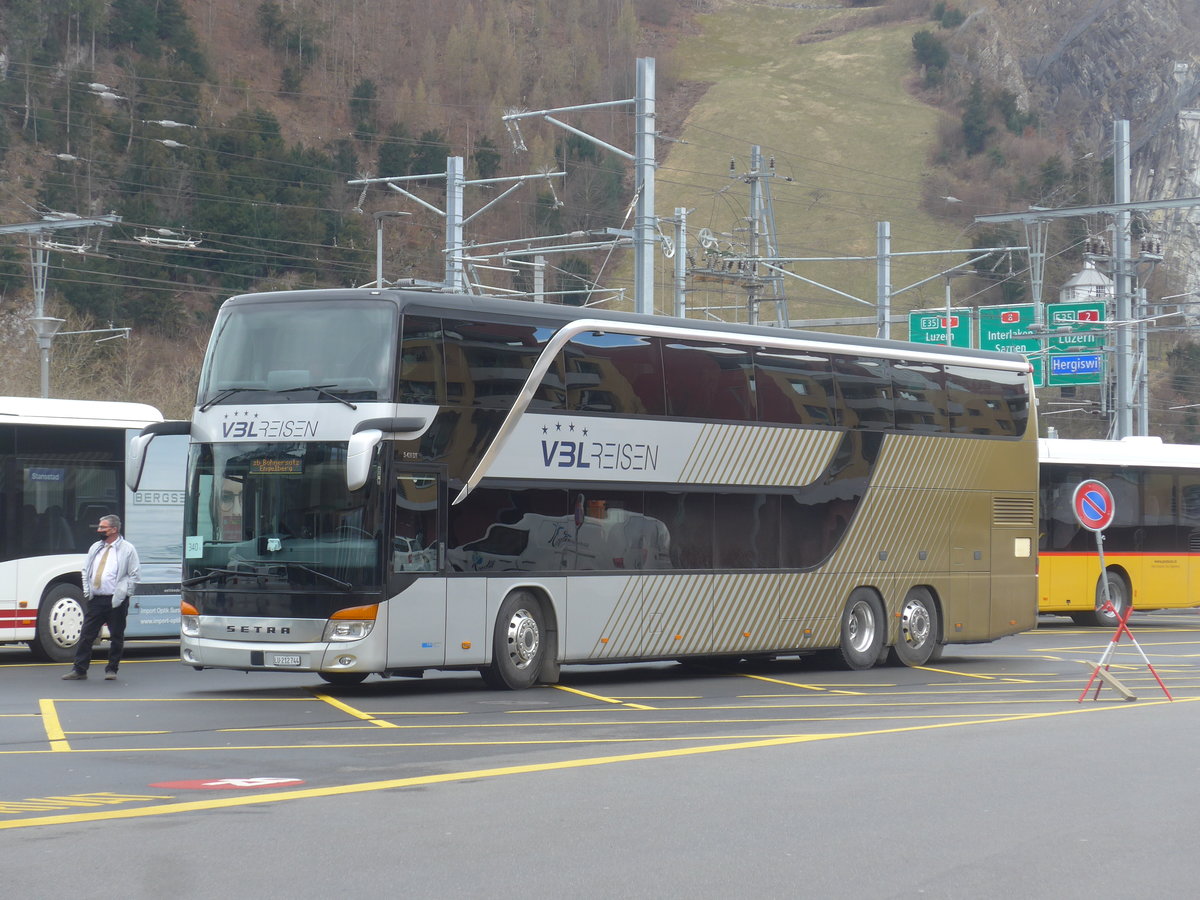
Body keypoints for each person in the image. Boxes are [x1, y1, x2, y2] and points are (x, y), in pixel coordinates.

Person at [61, 515, 140, 681]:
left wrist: (126, 594)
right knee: (86, 635)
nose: (99, 530)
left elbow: (134, 574)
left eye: (103, 528)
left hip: (116, 600)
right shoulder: (95, 547)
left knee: (116, 636)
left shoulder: (127, 549)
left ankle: (112, 669)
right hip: (96, 600)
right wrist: (87, 592)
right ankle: (80, 669)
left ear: (114, 530)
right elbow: (86, 570)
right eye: (99, 527)